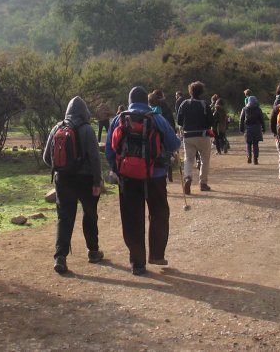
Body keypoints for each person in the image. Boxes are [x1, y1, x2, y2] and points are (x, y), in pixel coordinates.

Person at [106, 87, 180, 276]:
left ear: (129, 100)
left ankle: (137, 263)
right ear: (146, 101)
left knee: (132, 217)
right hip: (155, 176)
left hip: (128, 176)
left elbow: (109, 150)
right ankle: (156, 254)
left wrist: (119, 170)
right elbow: (174, 144)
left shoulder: (119, 119)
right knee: (159, 213)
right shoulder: (156, 118)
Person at [43, 96, 104, 274]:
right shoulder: (87, 129)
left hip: (63, 179)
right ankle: (93, 252)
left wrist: (62, 167)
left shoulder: (57, 127)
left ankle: (60, 257)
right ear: (84, 112)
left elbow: (47, 158)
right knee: (90, 214)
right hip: (85, 179)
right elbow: (94, 158)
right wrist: (96, 181)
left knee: (65, 218)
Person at [176, 81, 214, 194]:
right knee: (204, 160)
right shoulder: (204, 104)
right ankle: (203, 183)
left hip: (188, 135)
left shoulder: (184, 104)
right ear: (201, 92)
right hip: (203, 135)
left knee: (188, 159)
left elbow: (179, 120)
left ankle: (188, 177)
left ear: (190, 91)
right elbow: (210, 121)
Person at [239, 95, 265, 164]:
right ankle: (255, 159)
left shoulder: (244, 109)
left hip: (248, 129)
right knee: (256, 144)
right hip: (256, 129)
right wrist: (263, 128)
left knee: (248, 144)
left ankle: (249, 157)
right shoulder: (258, 109)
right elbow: (262, 120)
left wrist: (241, 128)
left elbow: (241, 120)